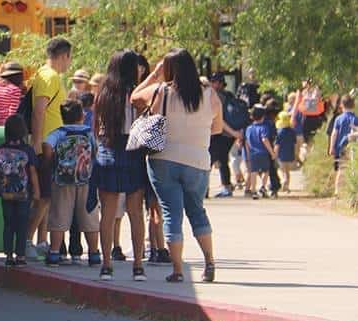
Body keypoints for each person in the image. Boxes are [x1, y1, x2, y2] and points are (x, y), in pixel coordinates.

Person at [133, 48, 221, 283]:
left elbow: (134, 96)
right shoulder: (209, 94)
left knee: (171, 214)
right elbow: (218, 128)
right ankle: (210, 262)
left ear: (169, 70)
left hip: (163, 159)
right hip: (197, 161)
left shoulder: (162, 91)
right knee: (197, 211)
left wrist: (155, 74)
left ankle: (178, 270)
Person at [92, 49, 148, 281]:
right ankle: (137, 266)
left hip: (107, 149)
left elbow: (97, 127)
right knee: (136, 212)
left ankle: (106, 265)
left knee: (108, 213)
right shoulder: (135, 95)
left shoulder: (102, 94)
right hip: (132, 150)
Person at [27, 37, 73, 259]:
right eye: (69, 58)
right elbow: (39, 111)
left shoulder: (44, 75)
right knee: (44, 196)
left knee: (47, 195)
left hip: (49, 142)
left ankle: (42, 240)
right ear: (63, 56)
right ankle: (27, 240)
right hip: (46, 144)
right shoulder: (49, 76)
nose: (69, 64)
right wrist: (37, 142)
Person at [43, 99, 101, 267]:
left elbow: (47, 145)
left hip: (62, 180)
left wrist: (50, 161)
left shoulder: (59, 132)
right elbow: (96, 150)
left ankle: (54, 253)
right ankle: (93, 253)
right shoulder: (89, 133)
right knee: (89, 216)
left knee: (59, 215)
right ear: (82, 116)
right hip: (86, 180)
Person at [0, 114, 40, 266]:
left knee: (8, 224)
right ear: (24, 131)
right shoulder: (28, 150)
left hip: (6, 195)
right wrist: (36, 192)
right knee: (22, 224)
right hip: (23, 195)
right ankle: (21, 256)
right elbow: (32, 172)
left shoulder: (0, 149)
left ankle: (9, 255)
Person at [209, 73, 245, 198]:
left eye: (213, 82)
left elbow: (219, 119)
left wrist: (232, 132)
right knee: (222, 159)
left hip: (222, 133)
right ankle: (226, 186)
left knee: (211, 159)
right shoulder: (229, 95)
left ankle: (205, 189)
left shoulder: (216, 97)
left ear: (217, 83)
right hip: (230, 135)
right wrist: (236, 133)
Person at [329, 95, 358, 196]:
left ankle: (337, 191)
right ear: (353, 105)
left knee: (341, 169)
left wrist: (331, 147)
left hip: (342, 147)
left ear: (341, 105)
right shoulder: (356, 119)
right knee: (353, 168)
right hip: (354, 147)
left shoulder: (339, 119)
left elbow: (334, 134)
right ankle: (351, 190)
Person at [274, 110, 301, 193]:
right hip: (290, 153)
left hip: (281, 154)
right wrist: (297, 155)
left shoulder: (279, 132)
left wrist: (274, 154)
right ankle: (286, 187)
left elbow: (277, 145)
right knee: (287, 171)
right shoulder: (292, 131)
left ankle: (283, 181)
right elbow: (295, 144)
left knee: (281, 170)